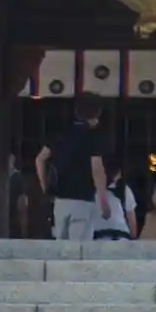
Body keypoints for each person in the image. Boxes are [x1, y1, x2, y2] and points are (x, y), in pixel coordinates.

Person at [36, 93, 113, 242]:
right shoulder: (94, 137)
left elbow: (40, 159)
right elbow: (97, 170)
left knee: (61, 246)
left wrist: (45, 187)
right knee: (79, 248)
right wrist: (103, 201)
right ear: (96, 114)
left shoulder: (61, 134)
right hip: (83, 201)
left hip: (60, 201)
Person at [92, 159, 137, 241]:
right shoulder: (124, 190)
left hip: (99, 237)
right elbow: (132, 223)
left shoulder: (92, 192)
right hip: (122, 236)